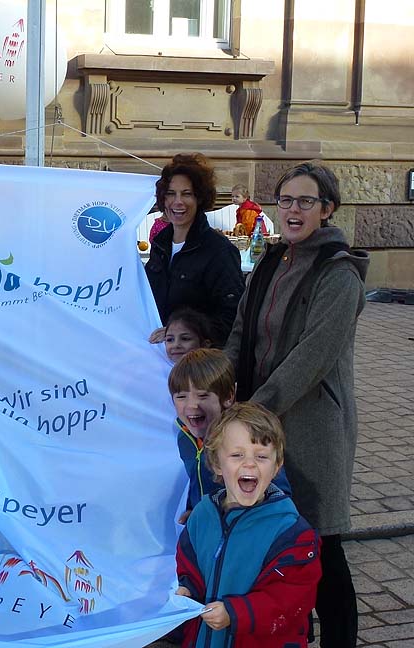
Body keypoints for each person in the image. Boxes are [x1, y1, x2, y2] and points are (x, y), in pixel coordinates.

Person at [225, 161, 369, 648]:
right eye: (285, 200)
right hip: (261, 425)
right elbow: (241, 335)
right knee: (280, 541)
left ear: (327, 209)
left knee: (322, 544)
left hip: (312, 427)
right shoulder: (270, 261)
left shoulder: (339, 273)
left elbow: (312, 356)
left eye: (306, 201)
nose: (292, 210)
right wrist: (220, 387)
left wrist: (253, 411)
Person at [175, 402, 321, 647]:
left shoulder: (292, 533)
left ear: (276, 466)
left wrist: (236, 612)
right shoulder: (202, 515)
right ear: (217, 464)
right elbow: (189, 562)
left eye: (261, 456)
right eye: (237, 455)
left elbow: (291, 597)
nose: (250, 464)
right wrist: (187, 588)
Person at [169, 348, 291, 522]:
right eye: (181, 397)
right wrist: (193, 510)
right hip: (211, 528)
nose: (192, 405)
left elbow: (279, 491)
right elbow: (197, 480)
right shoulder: (185, 438)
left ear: (228, 396)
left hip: (248, 529)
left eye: (203, 395)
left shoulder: (246, 434)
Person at [145, 153, 244, 347]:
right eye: (171, 193)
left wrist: (180, 334)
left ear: (200, 198)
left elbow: (232, 316)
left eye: (187, 194)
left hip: (195, 364)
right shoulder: (160, 245)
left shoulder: (219, 251)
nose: (178, 201)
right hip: (156, 358)